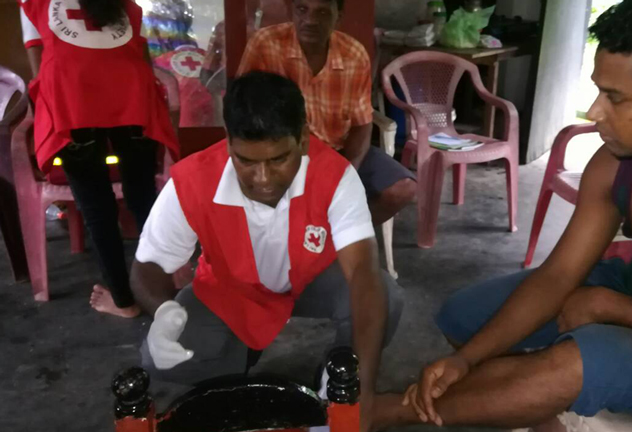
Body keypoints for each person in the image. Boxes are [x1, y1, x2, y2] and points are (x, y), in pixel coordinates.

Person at [372, 0, 632, 429]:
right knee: (467, 316)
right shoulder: (617, 161)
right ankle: (533, 398)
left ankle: (382, 413)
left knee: (584, 358)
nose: (595, 112)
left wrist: (618, 309)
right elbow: (559, 276)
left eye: (615, 97)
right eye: (598, 90)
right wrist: (465, 359)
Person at [132, 72, 403, 432]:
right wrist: (163, 310)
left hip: (312, 278)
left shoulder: (335, 176)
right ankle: (239, 358)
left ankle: (335, 383)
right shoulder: (191, 180)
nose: (262, 179)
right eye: (245, 160)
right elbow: (148, 267)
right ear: (228, 140)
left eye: (278, 159)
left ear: (303, 140)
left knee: (385, 296)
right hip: (230, 288)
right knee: (159, 357)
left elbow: (363, 274)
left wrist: (361, 390)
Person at [19, 0, 179, 317]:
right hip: (133, 97)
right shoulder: (126, 4)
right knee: (144, 199)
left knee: (97, 208)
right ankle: (163, 292)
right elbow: (141, 56)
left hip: (71, 101)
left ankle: (124, 301)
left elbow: (40, 68)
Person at [237, 0, 417, 226]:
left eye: (322, 12)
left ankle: (331, 236)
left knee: (402, 189)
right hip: (282, 152)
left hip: (338, 150)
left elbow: (362, 123)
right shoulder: (265, 44)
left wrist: (345, 174)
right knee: (268, 198)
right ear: (291, 11)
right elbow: (241, 108)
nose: (311, 20)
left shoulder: (353, 54)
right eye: (302, 10)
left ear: (337, 17)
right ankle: (306, 236)